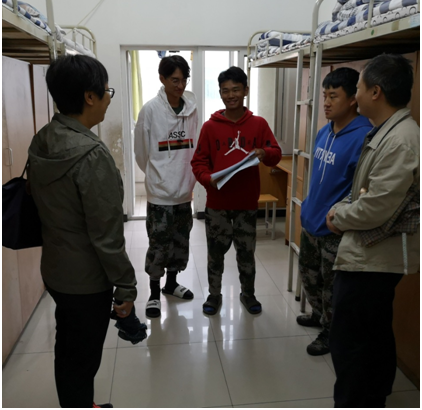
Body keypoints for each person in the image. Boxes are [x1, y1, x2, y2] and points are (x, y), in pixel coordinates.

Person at [28, 55, 137, 409]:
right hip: (87, 281)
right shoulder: (91, 155)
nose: (108, 99)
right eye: (107, 91)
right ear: (89, 97)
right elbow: (106, 235)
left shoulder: (43, 139)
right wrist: (126, 287)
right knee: (82, 361)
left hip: (56, 270)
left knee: (69, 347)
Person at [326, 54, 420, 408]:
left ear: (376, 92)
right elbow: (366, 191)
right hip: (372, 255)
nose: (356, 94)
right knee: (374, 331)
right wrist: (347, 207)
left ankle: (358, 401)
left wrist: (339, 216)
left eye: (360, 87)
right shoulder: (387, 130)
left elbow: (375, 207)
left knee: (351, 342)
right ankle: (375, 395)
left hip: (373, 259)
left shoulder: (401, 140)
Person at [191, 66, 281, 315]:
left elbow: (275, 154)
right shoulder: (210, 127)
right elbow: (198, 162)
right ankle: (214, 295)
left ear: (245, 91)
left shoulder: (258, 124)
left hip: (246, 204)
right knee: (215, 254)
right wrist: (208, 179)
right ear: (220, 93)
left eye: (236, 90)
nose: (230, 95)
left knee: (246, 253)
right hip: (217, 204)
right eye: (225, 91)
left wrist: (263, 152)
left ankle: (248, 294)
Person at [297, 68, 372, 356]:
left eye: (334, 96)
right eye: (324, 96)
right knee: (309, 277)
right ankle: (319, 315)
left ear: (353, 99)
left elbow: (362, 190)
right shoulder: (324, 131)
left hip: (334, 228)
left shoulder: (364, 137)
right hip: (311, 222)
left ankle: (331, 332)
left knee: (332, 287)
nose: (326, 103)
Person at [134, 55, 198, 318]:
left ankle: (171, 284)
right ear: (162, 79)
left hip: (184, 191)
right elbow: (141, 153)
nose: (180, 85)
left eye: (184, 80)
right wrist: (157, 176)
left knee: (180, 242)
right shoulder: (150, 110)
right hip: (160, 194)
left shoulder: (192, 109)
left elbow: (194, 147)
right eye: (174, 80)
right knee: (158, 245)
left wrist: (187, 179)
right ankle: (153, 293)